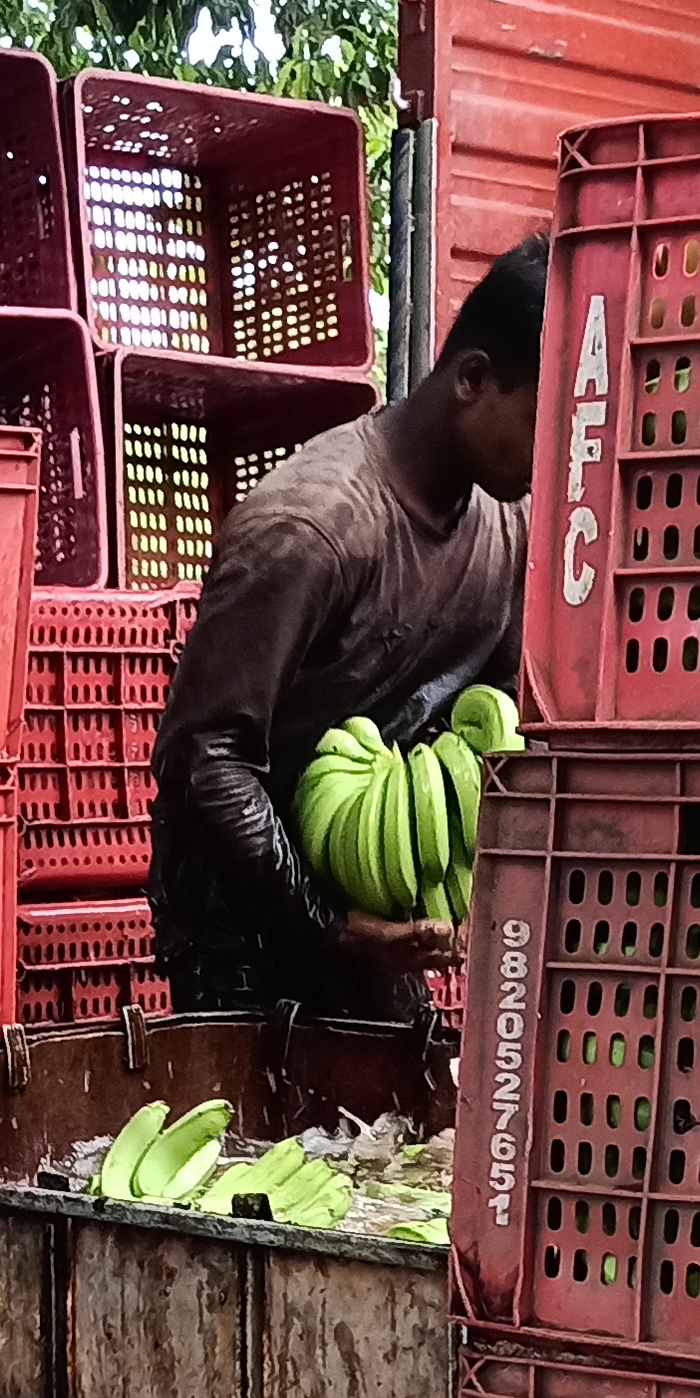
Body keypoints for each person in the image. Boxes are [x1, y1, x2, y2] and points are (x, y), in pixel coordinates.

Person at [146, 233, 547, 1024]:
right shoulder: (310, 528)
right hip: (239, 915)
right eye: (545, 418)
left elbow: (496, 715)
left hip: (371, 888)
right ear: (472, 378)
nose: (560, 453)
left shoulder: (509, 519)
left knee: (383, 1141)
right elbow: (205, 760)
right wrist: (327, 926)